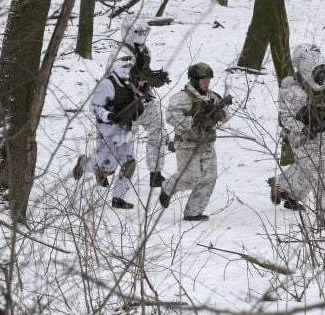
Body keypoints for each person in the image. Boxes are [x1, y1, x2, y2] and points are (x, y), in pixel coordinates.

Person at [268, 44, 325, 225]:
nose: (321, 75)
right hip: (301, 140)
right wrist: (302, 127)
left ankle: (282, 186)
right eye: (317, 71)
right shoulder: (292, 92)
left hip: (322, 138)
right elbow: (285, 118)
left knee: (307, 170)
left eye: (323, 71)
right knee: (321, 177)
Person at [71, 56, 147, 209]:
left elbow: (137, 103)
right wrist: (108, 115)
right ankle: (83, 164)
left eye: (129, 65)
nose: (128, 68)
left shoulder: (130, 83)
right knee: (106, 169)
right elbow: (94, 107)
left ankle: (118, 199)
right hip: (108, 132)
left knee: (129, 164)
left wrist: (143, 89)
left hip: (126, 130)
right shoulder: (107, 84)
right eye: (124, 65)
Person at [158, 63, 231, 222]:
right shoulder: (181, 98)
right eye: (203, 80)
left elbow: (226, 115)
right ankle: (168, 187)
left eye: (208, 80)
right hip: (187, 144)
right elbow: (171, 117)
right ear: (194, 80)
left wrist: (220, 115)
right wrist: (192, 121)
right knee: (190, 178)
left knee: (208, 179)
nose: (207, 84)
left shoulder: (213, 97)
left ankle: (193, 212)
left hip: (206, 144)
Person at [109, 15, 170, 188]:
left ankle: (155, 173)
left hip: (144, 101)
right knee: (123, 142)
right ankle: (104, 170)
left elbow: (145, 72)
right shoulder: (119, 53)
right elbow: (113, 80)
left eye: (145, 32)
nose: (143, 35)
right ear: (129, 33)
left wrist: (154, 79)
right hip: (126, 105)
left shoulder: (145, 51)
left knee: (158, 130)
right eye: (139, 32)